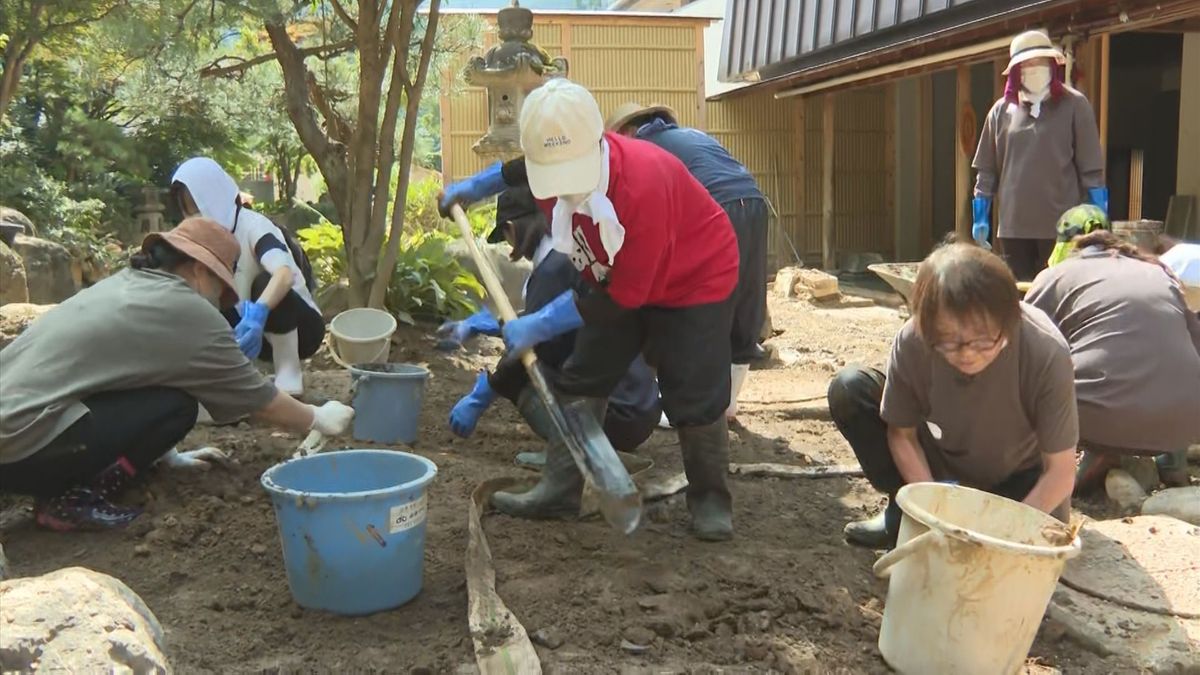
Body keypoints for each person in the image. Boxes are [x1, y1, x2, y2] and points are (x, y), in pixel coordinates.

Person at [440, 78, 740, 541]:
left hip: (695, 274)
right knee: (585, 372)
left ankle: (711, 502)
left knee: (693, 389)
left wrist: (539, 323)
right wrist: (476, 187)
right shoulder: (548, 170)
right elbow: (521, 171)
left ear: (597, 143)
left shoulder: (644, 183)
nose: (560, 189)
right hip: (610, 268)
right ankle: (559, 491)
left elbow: (624, 297)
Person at [0, 218, 355, 532]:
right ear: (200, 270)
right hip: (22, 446)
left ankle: (101, 474)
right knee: (179, 406)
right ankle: (71, 500)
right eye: (220, 286)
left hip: (15, 434)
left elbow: (138, 377)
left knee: (169, 399)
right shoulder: (186, 308)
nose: (219, 300)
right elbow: (257, 401)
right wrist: (318, 417)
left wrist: (166, 454)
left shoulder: (127, 286)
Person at [827, 241, 1077, 549]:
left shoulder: (1045, 351)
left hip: (1018, 481)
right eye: (948, 341)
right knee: (850, 388)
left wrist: (1009, 535)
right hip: (941, 467)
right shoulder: (914, 340)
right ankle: (905, 512)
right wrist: (933, 512)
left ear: (1009, 320)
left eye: (984, 341)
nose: (967, 354)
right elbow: (902, 435)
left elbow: (1060, 471)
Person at [442, 185, 661, 465]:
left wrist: (483, 393)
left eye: (506, 236)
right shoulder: (572, 254)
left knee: (521, 375)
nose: (509, 246)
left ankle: (569, 454)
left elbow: (537, 348)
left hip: (612, 416)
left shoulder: (551, 271)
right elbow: (557, 322)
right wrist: (490, 324)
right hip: (639, 407)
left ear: (513, 227)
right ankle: (595, 452)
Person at [607, 102, 768, 422]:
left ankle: (693, 405)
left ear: (626, 132)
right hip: (754, 201)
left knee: (697, 301)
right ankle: (729, 404)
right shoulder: (692, 136)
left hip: (715, 207)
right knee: (746, 299)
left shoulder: (640, 151)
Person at [1025, 209, 1200, 490]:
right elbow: (1194, 348)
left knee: (1046, 373)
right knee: (1172, 366)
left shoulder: (1056, 275)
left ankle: (1079, 462)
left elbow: (1025, 345)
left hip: (1100, 416)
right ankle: (1173, 464)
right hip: (1186, 421)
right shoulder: (1159, 273)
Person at [170, 157, 323, 396]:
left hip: (299, 327)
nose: (194, 216)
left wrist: (258, 313)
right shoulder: (200, 242)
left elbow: (284, 275)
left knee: (265, 282)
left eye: (197, 205)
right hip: (250, 335)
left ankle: (288, 371)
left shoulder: (255, 227)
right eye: (187, 208)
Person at [972, 30, 1107, 281]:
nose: (1034, 69)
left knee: (1058, 295)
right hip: (1013, 228)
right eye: (1027, 65)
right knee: (1019, 298)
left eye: (1040, 62)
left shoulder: (1075, 105)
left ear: (1052, 64)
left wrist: (1099, 217)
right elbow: (986, 172)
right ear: (1015, 70)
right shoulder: (1000, 111)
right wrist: (981, 216)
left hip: (1063, 229)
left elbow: (1092, 171)